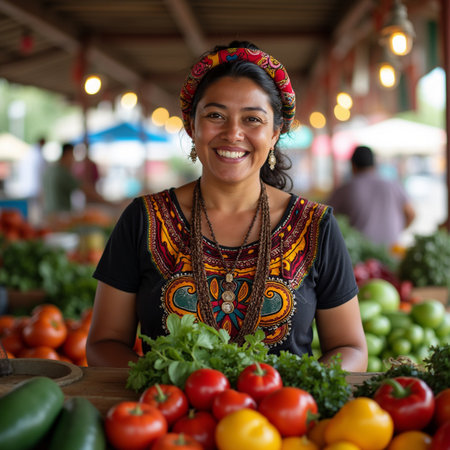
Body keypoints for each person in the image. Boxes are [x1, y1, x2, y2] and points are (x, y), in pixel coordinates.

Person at [86, 41, 368, 372]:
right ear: (192, 126)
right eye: (216, 115)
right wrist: (164, 386)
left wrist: (299, 390)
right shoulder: (144, 220)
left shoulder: (315, 225)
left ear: (275, 133)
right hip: (172, 420)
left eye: (252, 119)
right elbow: (104, 345)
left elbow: (350, 348)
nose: (233, 133)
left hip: (283, 421)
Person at [327, 145, 416, 247]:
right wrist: (397, 230)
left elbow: (325, 218)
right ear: (375, 164)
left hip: (359, 253)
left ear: (352, 165)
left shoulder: (344, 190)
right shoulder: (393, 185)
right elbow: (411, 214)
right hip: (393, 249)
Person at [42, 142, 105, 216]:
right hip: (60, 215)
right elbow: (84, 189)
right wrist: (107, 201)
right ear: (67, 154)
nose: (73, 160)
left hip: (48, 213)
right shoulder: (62, 172)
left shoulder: (49, 170)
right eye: (72, 156)